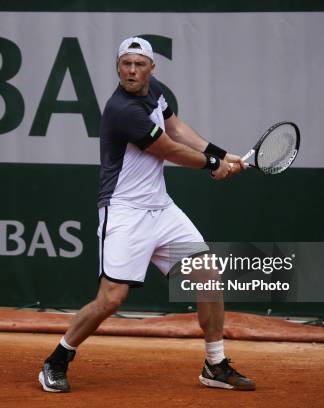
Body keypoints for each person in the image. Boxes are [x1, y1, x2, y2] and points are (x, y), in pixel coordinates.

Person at [38, 36, 256, 393]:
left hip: (162, 209)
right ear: (118, 67)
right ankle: (57, 359)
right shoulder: (121, 110)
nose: (132, 71)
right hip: (124, 212)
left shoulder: (155, 89)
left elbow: (176, 128)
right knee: (111, 300)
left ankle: (214, 365)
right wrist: (213, 164)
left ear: (151, 68)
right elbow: (168, 148)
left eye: (139, 64)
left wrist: (222, 153)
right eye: (126, 64)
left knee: (209, 275)